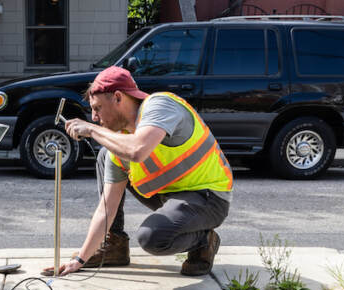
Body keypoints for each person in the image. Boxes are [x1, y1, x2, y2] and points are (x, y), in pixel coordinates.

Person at [49, 66, 233, 277]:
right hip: (173, 199)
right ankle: (114, 245)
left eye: (97, 108)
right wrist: (79, 259)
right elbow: (106, 209)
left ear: (118, 97)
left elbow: (137, 150)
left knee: (152, 237)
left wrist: (91, 130)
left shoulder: (159, 106)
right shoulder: (121, 142)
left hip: (209, 197)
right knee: (106, 154)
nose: (94, 117)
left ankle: (204, 240)